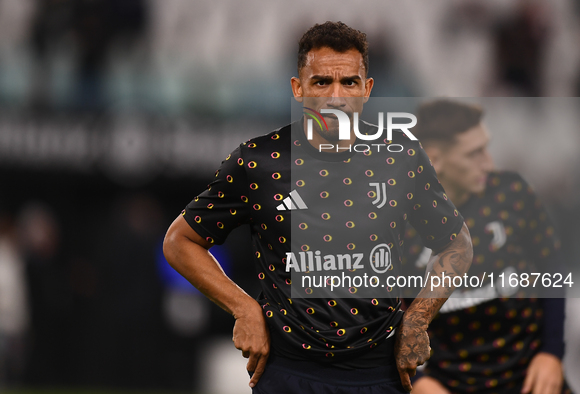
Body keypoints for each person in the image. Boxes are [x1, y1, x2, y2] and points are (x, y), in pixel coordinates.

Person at [163, 22, 473, 394]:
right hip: (287, 373)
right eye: (322, 82)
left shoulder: (401, 158)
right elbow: (179, 241)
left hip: (379, 375)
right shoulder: (258, 161)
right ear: (298, 88)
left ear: (367, 90)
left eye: (349, 83)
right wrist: (243, 307)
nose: (336, 97)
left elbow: (457, 244)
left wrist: (418, 320)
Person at [401, 99, 572, 394]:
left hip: (533, 378)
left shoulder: (512, 192)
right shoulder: (399, 223)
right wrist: (419, 380)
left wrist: (552, 353)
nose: (488, 162)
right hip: (451, 385)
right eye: (473, 153)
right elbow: (386, 317)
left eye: (486, 147)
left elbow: (552, 271)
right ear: (434, 159)